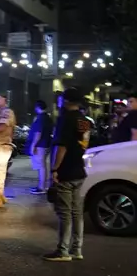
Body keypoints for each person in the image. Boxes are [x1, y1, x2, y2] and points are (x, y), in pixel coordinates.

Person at [43, 88, 91, 262]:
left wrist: (55, 169)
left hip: (66, 171)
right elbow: (83, 142)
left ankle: (62, 251)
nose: (60, 101)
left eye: (62, 98)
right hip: (79, 169)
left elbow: (61, 147)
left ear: (67, 100)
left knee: (65, 212)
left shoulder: (65, 120)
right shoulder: (84, 120)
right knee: (77, 212)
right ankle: (76, 249)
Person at [27, 100, 53, 195]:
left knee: (41, 167)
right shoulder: (48, 118)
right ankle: (43, 186)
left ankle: (41, 187)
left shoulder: (40, 118)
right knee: (43, 166)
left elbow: (38, 133)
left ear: (37, 107)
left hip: (40, 145)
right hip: (46, 144)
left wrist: (33, 145)